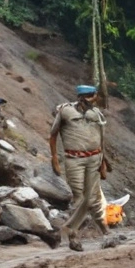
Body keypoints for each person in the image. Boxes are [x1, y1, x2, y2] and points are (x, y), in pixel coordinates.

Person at [49, 84, 110, 251]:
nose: (94, 99)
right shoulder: (65, 112)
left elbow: (101, 139)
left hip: (94, 159)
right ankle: (75, 232)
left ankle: (84, 231)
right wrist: (54, 158)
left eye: (94, 96)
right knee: (80, 197)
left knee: (92, 197)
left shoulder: (96, 114)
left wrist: (103, 162)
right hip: (74, 160)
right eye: (90, 96)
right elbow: (53, 135)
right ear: (81, 97)